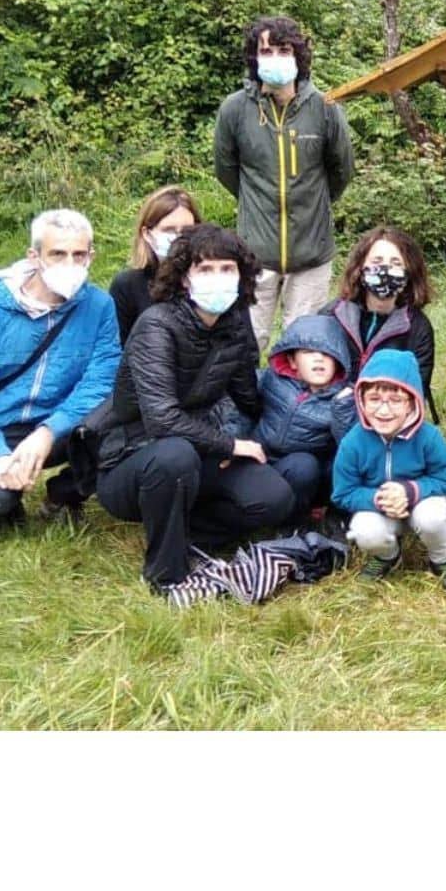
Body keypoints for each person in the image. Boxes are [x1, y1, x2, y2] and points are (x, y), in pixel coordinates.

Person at [91, 223, 299, 605]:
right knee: (175, 455)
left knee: (275, 498)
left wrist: (300, 414)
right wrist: (229, 445)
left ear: (242, 276)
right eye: (205, 269)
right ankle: (165, 573)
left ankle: (183, 531)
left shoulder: (234, 325)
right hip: (131, 461)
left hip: (199, 448)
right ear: (184, 278)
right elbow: (161, 419)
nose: (217, 278)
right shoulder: (156, 326)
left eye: (227, 269)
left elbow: (247, 395)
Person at [0, 209, 123, 529]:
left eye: (79, 255)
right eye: (57, 254)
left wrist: (48, 432)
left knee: (124, 419)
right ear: (34, 256)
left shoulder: (100, 306)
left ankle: (65, 493)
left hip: (60, 426)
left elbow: (100, 381)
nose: (70, 264)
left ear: (91, 256)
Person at [214, 14, 356, 346]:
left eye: (283, 50)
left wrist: (312, 204)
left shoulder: (324, 108)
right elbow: (226, 170)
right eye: (266, 51)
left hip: (311, 252)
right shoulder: (234, 110)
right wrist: (256, 205)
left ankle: (294, 399)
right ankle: (245, 400)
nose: (275, 58)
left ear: (298, 55)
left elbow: (341, 170)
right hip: (254, 253)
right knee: (246, 343)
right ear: (254, 57)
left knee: (305, 343)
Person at [333, 348, 446, 592]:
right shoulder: (353, 442)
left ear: (412, 403)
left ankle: (441, 558)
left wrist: (410, 491)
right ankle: (387, 556)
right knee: (364, 530)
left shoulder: (428, 437)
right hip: (379, 511)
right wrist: (378, 499)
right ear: (361, 400)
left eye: (395, 400)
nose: (384, 411)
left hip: (421, 504)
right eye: (374, 399)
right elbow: (343, 493)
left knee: (434, 517)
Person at [329, 225, 440, 423]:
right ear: (360, 268)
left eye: (395, 262)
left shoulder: (418, 327)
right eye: (377, 261)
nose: (385, 270)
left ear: (409, 272)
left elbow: (416, 392)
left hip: (387, 421)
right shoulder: (332, 315)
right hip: (331, 418)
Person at [253, 312, 357, 514]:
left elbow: (353, 448)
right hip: (260, 458)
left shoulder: (344, 398)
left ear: (339, 362)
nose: (319, 358)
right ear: (292, 361)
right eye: (309, 352)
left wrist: (343, 409)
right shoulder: (272, 379)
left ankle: (298, 520)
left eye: (328, 354)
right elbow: (237, 402)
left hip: (306, 473)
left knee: (305, 466)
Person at [109, 185, 202, 343]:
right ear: (147, 234)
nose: (178, 237)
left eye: (187, 230)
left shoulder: (212, 279)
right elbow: (118, 349)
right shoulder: (128, 285)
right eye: (169, 230)